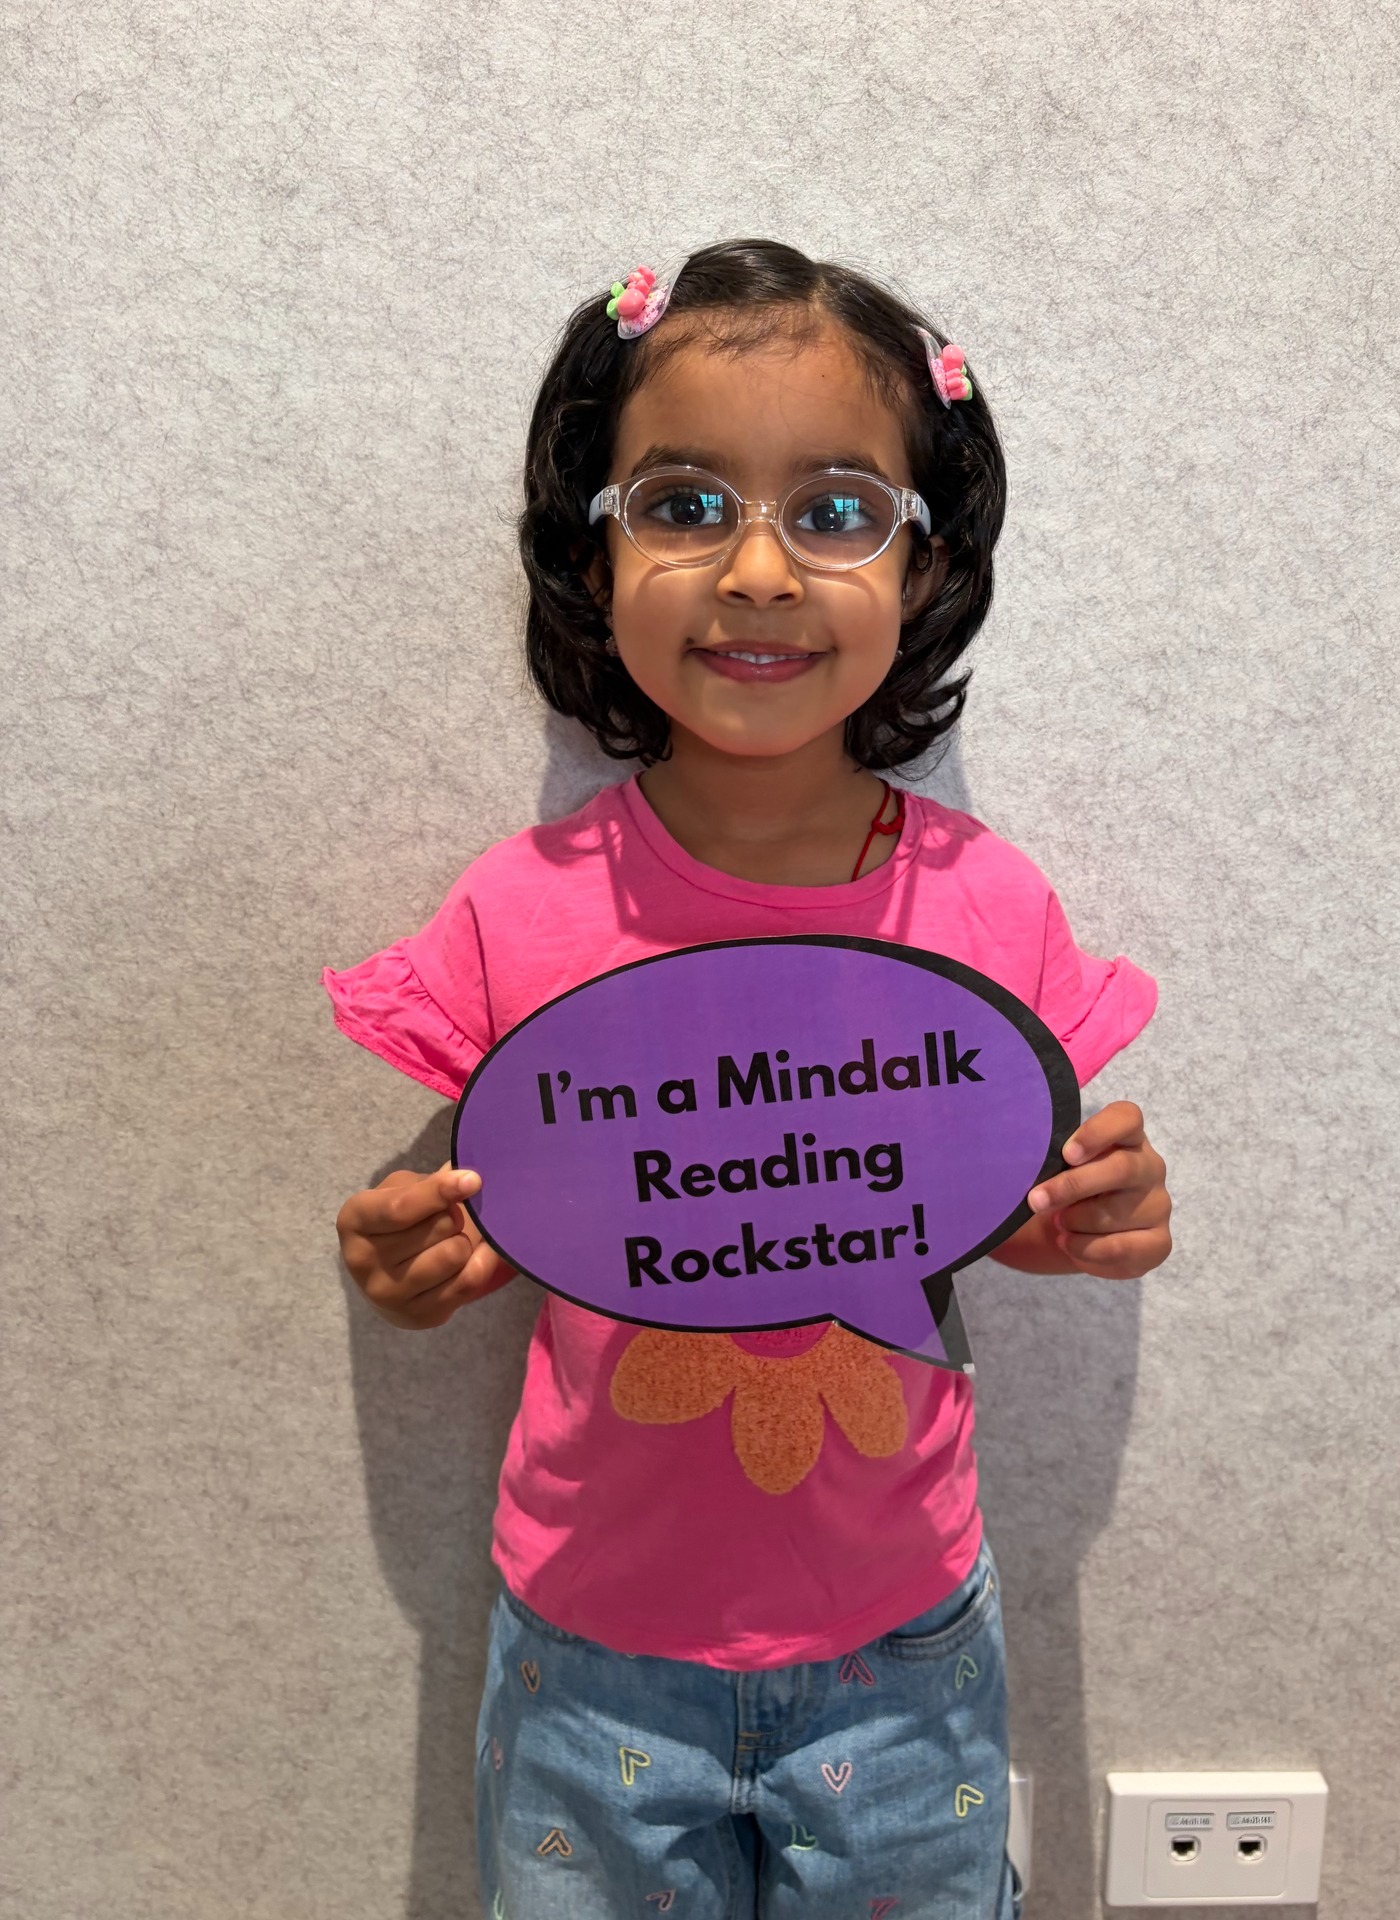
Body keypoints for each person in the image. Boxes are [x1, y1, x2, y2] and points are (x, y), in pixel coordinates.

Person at [325, 238, 1173, 1919]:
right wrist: (408, 1263)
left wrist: (1081, 1214)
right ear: (594, 551)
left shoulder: (985, 907)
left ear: (928, 567)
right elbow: (481, 1223)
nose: (763, 572)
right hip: (590, 1644)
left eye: (840, 511)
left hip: (902, 1640)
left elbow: (953, 1199)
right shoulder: (521, 908)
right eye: (687, 502)